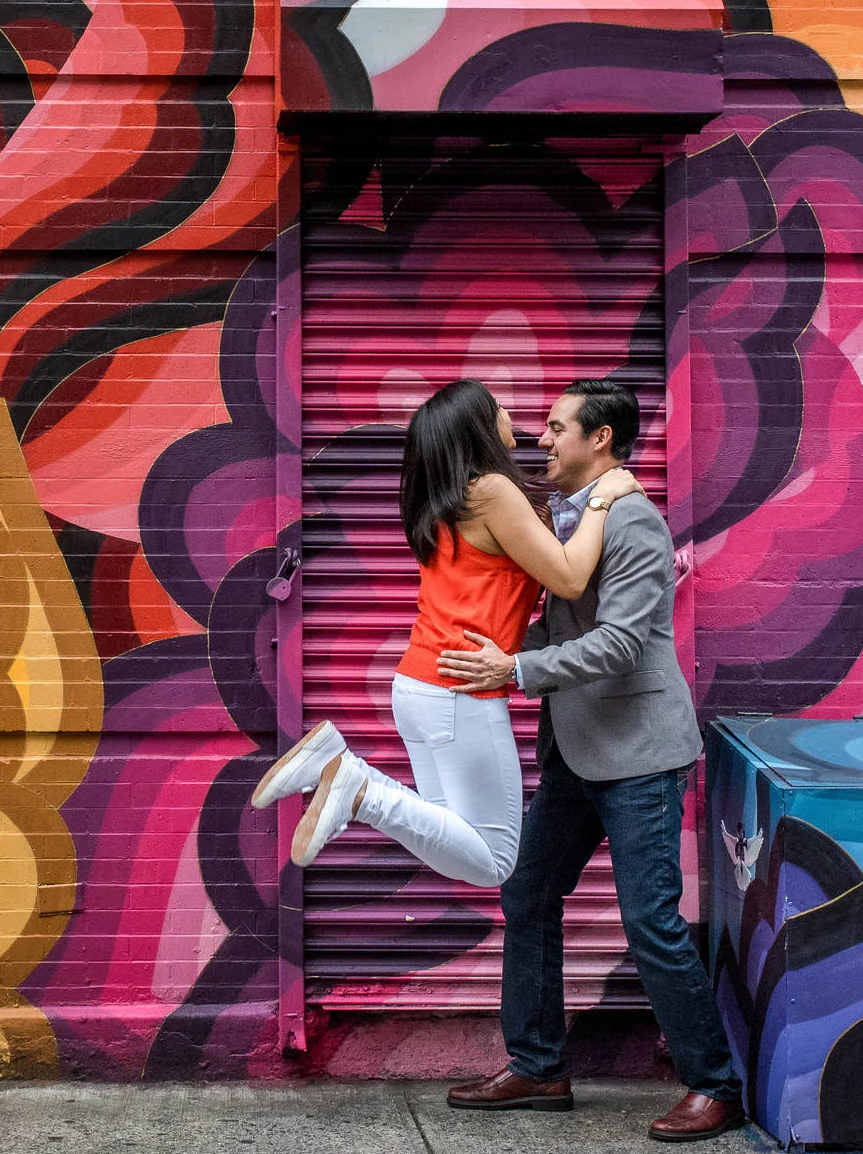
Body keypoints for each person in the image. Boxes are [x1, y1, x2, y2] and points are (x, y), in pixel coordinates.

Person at [433, 378, 743, 1140]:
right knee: (527, 894)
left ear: (600, 439)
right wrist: (504, 654)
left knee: (650, 921)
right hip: (577, 751)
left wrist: (518, 671)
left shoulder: (632, 523)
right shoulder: (570, 518)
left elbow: (620, 643)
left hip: (638, 755)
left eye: (557, 426)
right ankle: (538, 1065)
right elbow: (563, 625)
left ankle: (715, 1082)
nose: (542, 438)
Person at [251, 378, 637, 893]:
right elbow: (568, 577)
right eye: (499, 406)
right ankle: (358, 785)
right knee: (496, 862)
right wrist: (602, 500)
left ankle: (338, 768)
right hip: (460, 689)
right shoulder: (492, 491)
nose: (514, 416)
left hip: (419, 685)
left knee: (448, 837)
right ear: (479, 425)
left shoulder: (450, 498)